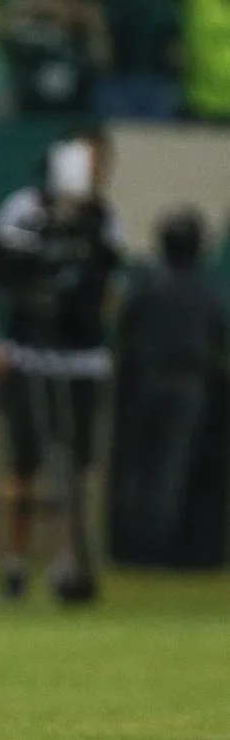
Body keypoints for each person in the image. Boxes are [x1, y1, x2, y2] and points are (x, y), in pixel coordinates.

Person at [0, 124, 121, 603]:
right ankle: (15, 564)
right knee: (24, 465)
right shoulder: (24, 209)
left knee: (77, 466)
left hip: (80, 357)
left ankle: (68, 563)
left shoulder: (102, 219)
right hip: (28, 354)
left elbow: (107, 283)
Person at [109, 209, 229, 567]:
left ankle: (134, 546)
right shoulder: (207, 288)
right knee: (170, 468)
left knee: (137, 466)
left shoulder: (148, 283)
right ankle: (161, 547)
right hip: (190, 382)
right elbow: (220, 330)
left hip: (147, 380)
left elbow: (123, 321)